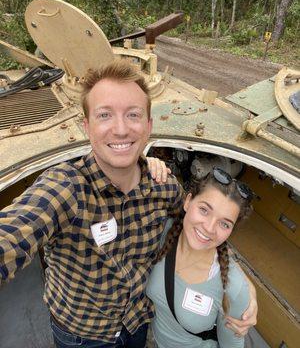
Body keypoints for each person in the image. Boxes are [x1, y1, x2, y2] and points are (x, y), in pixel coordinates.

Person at [0, 60, 256, 348]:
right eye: (105, 115)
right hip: (82, 337)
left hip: (137, 324)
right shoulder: (65, 188)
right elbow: (13, 233)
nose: (120, 130)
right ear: (87, 126)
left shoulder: (165, 188)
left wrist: (242, 287)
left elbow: (205, 228)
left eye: (132, 115)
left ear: (148, 126)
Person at [146, 167, 255, 348]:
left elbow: (232, 344)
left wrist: (247, 288)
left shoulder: (233, 288)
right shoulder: (162, 231)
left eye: (224, 224)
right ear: (188, 201)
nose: (210, 228)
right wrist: (148, 162)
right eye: (204, 210)